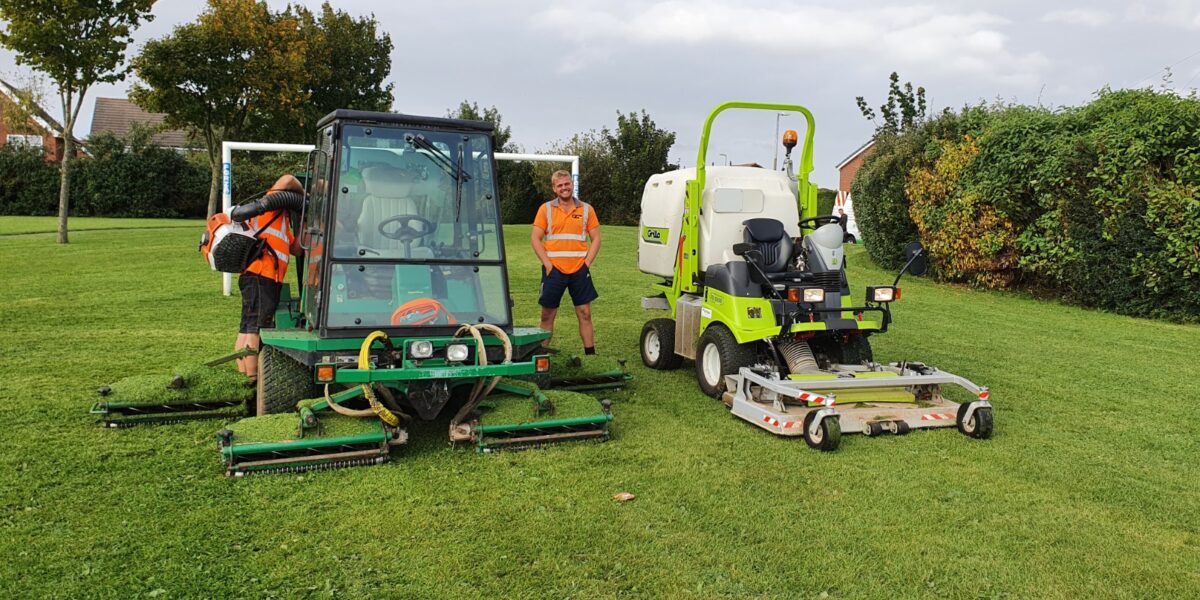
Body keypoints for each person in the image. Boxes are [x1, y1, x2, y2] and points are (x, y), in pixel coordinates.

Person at [236, 175, 304, 379]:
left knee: (249, 324)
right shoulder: (268, 206)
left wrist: (306, 224)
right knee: (254, 328)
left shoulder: (280, 220)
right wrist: (306, 194)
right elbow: (288, 179)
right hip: (260, 275)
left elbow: (296, 250)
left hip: (267, 278)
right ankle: (252, 376)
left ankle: (244, 372)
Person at [531, 170, 601, 354]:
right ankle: (541, 356)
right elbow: (535, 239)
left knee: (585, 313)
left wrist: (587, 264)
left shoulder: (587, 209)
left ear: (572, 184)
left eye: (567, 184)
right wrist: (547, 264)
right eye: (560, 185)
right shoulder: (545, 209)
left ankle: (590, 355)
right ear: (554, 188)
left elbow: (596, 239)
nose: (564, 188)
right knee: (547, 315)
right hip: (554, 271)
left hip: (579, 270)